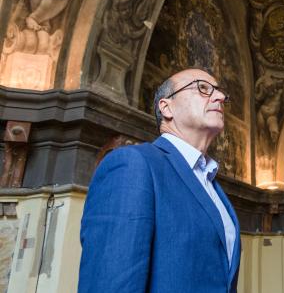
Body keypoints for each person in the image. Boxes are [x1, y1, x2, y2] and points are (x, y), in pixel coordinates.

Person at [79, 68, 241, 292]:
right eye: (203, 88)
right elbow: (110, 283)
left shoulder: (211, 183)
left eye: (221, 93)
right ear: (166, 107)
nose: (220, 97)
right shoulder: (133, 164)